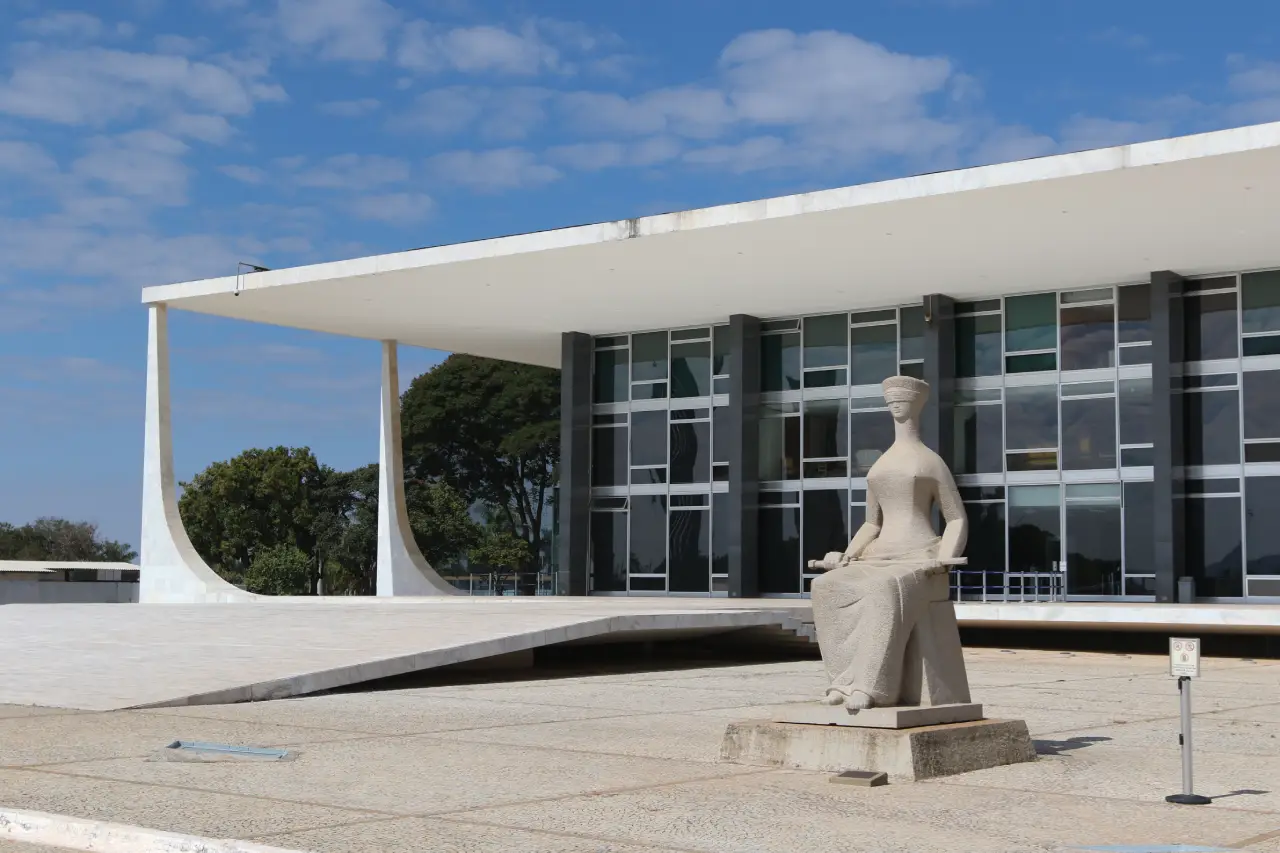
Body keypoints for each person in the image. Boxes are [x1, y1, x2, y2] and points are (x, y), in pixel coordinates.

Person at [808, 375, 967, 710]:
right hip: (878, 556)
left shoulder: (931, 461)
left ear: (917, 405)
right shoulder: (881, 464)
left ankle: (871, 688)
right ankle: (842, 682)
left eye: (903, 401)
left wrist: (943, 558)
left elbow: (956, 518)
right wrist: (847, 555)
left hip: (919, 558)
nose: (896, 405)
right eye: (891, 401)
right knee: (825, 587)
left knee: (882, 590)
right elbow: (871, 522)